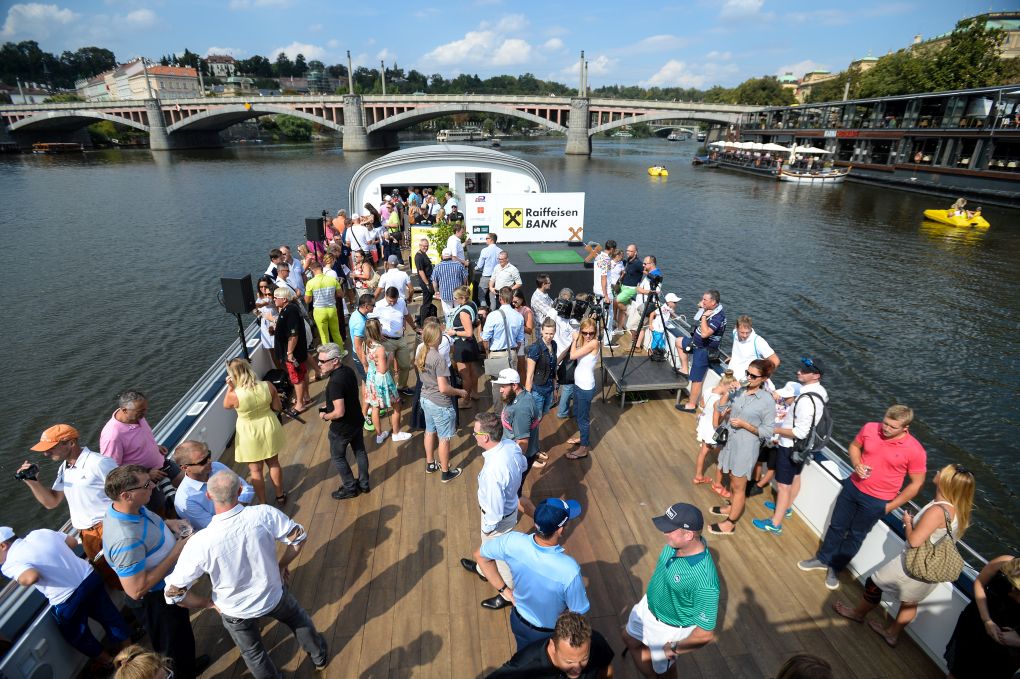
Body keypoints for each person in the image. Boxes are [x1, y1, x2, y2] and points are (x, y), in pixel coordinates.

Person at [165, 470, 329, 677]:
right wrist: (281, 565)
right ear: (240, 491)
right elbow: (298, 537)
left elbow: (174, 594)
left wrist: (208, 604)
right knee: (299, 621)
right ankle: (319, 657)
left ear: (208, 496)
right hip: (273, 594)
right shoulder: (263, 514)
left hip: (234, 611)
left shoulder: (199, 543)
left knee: (254, 654)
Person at [832, 463, 975, 646]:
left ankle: (857, 614)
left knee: (874, 584)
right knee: (910, 601)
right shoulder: (960, 510)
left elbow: (914, 541)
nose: (937, 471)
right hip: (932, 567)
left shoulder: (937, 511)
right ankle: (892, 633)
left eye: (941, 472)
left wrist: (908, 522)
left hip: (913, 564)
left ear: (945, 482)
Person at [798, 404, 927, 591]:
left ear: (905, 428)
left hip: (877, 501)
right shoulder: (869, 428)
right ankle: (822, 558)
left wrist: (890, 507)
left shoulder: (915, 450)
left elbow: (917, 484)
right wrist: (857, 463)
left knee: (855, 535)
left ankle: (835, 567)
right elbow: (854, 446)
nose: (886, 428)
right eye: (885, 423)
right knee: (836, 526)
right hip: (853, 487)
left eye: (892, 427)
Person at [102, 465, 203, 679]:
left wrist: (169, 524)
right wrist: (177, 551)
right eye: (147, 484)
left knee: (182, 636)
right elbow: (136, 590)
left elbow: (147, 527)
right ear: (126, 495)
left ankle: (189, 667)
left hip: (169, 590)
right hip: (156, 601)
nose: (153, 486)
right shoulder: (124, 538)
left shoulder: (132, 508)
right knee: (171, 649)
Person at [0, 525, 132, 673]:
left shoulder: (9, 563)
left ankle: (107, 661)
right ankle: (129, 653)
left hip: (66, 598)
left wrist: (20, 578)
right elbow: (72, 542)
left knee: (76, 634)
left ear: (3, 545)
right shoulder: (39, 533)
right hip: (89, 578)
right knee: (110, 617)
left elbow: (31, 577)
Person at [475, 498, 589, 650]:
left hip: (518, 621)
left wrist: (505, 591)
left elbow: (480, 556)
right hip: (549, 634)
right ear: (560, 530)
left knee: (523, 658)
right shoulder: (569, 570)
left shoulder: (512, 541)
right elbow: (578, 615)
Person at [623, 503, 718, 679]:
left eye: (670, 529)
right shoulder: (677, 543)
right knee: (629, 639)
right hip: (647, 607)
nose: (664, 533)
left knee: (665, 672)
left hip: (667, 630)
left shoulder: (705, 582)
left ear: (689, 535)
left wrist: (675, 647)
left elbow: (705, 634)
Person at [19, 424, 120, 587]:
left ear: (70, 443)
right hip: (88, 535)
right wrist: (32, 482)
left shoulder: (99, 463)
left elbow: (125, 492)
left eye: (51, 448)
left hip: (109, 527)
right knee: (110, 577)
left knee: (127, 570)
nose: (46, 453)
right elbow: (52, 502)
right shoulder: (64, 468)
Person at [755, 357, 829, 535]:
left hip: (790, 446)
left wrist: (775, 429)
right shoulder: (820, 392)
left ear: (816, 375)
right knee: (795, 476)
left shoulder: (805, 400)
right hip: (803, 447)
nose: (799, 372)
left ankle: (775, 523)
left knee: (783, 485)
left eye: (804, 371)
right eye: (800, 368)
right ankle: (786, 507)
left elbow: (800, 432)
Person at [459, 412, 528, 601]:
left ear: (485, 437)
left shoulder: (492, 473)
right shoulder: (511, 447)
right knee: (488, 550)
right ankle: (483, 570)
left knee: (500, 557)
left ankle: (507, 595)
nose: (474, 436)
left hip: (497, 522)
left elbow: (495, 513)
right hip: (511, 509)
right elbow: (522, 465)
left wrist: (487, 528)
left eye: (475, 433)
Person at [708, 358, 776, 535]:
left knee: (739, 486)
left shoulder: (767, 401)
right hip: (731, 442)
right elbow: (721, 406)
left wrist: (745, 425)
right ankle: (731, 507)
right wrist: (727, 392)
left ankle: (730, 524)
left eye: (754, 376)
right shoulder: (739, 391)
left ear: (763, 379)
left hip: (746, 448)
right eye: (747, 373)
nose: (749, 378)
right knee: (731, 478)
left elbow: (768, 432)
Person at [100, 390, 183, 516]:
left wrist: (154, 446)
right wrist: (147, 474)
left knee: (187, 483)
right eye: (140, 411)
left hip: (162, 464)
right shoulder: (112, 435)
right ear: (124, 410)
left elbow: (140, 437)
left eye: (145, 410)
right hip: (145, 481)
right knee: (163, 511)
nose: (144, 414)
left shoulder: (137, 417)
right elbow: (113, 473)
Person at [223, 358, 287, 506]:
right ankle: (280, 496)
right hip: (268, 426)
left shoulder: (235, 394)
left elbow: (226, 405)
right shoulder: (268, 385)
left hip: (248, 432)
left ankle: (263, 502)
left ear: (233, 375)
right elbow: (277, 407)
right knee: (274, 463)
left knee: (256, 471)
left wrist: (230, 387)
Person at [943, 555, 1020, 679]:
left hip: (1003, 648)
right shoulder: (1004, 561)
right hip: (975, 624)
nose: (1012, 588)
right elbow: (979, 582)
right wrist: (987, 620)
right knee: (957, 670)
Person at [318, 342, 373, 499]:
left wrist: (325, 416)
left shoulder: (334, 382)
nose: (319, 364)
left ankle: (350, 487)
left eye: (322, 361)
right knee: (360, 451)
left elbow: (339, 412)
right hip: (356, 420)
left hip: (342, 429)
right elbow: (347, 397)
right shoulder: (348, 371)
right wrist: (329, 404)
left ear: (335, 360)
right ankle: (364, 484)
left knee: (338, 457)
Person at [487, 611, 615, 679]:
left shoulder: (596, 642)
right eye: (569, 661)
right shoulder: (525, 665)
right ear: (553, 646)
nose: (577, 669)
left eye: (584, 659)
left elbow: (606, 668)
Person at [416, 323, 467, 482]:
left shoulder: (421, 353)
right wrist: (460, 392)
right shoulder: (438, 359)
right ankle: (446, 472)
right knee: (444, 438)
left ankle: (430, 463)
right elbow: (444, 388)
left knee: (430, 431)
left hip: (425, 398)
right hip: (439, 402)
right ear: (437, 338)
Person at [172, 440, 254, 530]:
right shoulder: (184, 500)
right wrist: (237, 506)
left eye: (209, 455)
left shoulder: (217, 466)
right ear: (185, 468)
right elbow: (213, 528)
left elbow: (246, 489)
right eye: (203, 461)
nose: (209, 461)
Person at [493, 368, 541, 507]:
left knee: (514, 495)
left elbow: (522, 443)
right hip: (514, 451)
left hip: (518, 458)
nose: (500, 390)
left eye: (503, 386)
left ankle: (541, 521)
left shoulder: (520, 409)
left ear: (514, 386)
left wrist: (513, 465)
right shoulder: (520, 396)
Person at [362, 317, 411, 445]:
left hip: (371, 379)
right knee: (396, 406)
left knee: (375, 407)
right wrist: (389, 357)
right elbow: (383, 370)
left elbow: (365, 362)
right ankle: (396, 433)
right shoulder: (380, 349)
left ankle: (379, 435)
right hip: (382, 380)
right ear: (378, 330)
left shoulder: (365, 344)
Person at [676, 290, 727, 414]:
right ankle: (684, 368)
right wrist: (703, 307)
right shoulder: (710, 309)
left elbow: (705, 334)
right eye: (703, 299)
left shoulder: (718, 317)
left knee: (696, 380)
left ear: (713, 302)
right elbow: (700, 306)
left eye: (705, 300)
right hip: (695, 343)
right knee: (679, 341)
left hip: (704, 350)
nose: (702, 301)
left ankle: (691, 405)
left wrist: (704, 315)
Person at [692, 372, 737, 486]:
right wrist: (725, 413)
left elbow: (702, 404)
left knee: (703, 450)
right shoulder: (719, 400)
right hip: (711, 428)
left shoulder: (709, 389)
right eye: (731, 388)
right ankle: (704, 478)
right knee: (717, 451)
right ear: (727, 385)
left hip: (703, 423)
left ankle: (698, 476)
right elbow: (716, 423)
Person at [525, 318, 558, 465]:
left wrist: (555, 388)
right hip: (537, 391)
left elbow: (553, 369)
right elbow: (529, 374)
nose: (549, 336)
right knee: (534, 423)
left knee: (539, 420)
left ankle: (535, 448)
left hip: (548, 389)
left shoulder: (554, 345)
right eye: (546, 333)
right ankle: (531, 455)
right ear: (541, 332)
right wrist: (527, 395)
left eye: (551, 333)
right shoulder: (535, 348)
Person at [565, 318, 600, 461]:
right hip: (579, 384)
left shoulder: (594, 343)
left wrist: (574, 340)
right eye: (584, 332)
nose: (588, 336)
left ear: (595, 333)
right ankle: (582, 437)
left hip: (585, 387)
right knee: (578, 414)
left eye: (591, 333)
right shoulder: (585, 341)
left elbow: (573, 355)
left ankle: (583, 448)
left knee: (583, 418)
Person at [483, 287, 526, 402]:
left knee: (498, 387)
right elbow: (519, 340)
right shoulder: (519, 316)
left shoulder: (492, 315)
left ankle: (498, 414)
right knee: (511, 384)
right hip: (512, 354)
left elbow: (485, 338)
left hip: (496, 355)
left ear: (500, 298)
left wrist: (488, 352)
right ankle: (510, 410)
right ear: (512, 299)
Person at [272, 286, 310, 413]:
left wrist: (289, 353)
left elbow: (293, 335)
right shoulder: (289, 309)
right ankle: (305, 397)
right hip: (298, 351)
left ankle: (300, 404)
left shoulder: (290, 311)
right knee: (303, 373)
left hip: (293, 353)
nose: (274, 299)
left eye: (276, 298)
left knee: (296, 377)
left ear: (283, 299)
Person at [375, 285, 418, 397]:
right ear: (385, 296)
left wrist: (414, 327)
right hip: (386, 341)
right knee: (388, 369)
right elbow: (370, 322)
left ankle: (402, 387)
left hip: (401, 339)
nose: (393, 303)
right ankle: (392, 391)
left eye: (394, 301)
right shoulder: (378, 305)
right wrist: (377, 334)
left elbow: (406, 315)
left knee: (405, 365)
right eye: (390, 301)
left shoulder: (401, 302)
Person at [448, 285, 481, 402]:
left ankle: (466, 400)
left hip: (463, 345)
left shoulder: (463, 312)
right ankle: (475, 393)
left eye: (456, 298)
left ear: (462, 298)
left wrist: (454, 332)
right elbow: (476, 321)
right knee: (473, 371)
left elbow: (468, 332)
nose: (454, 300)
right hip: (471, 344)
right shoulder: (472, 304)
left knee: (465, 374)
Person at [304, 258, 344, 350]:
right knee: (336, 333)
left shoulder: (310, 283)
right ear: (321, 269)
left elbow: (307, 301)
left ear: (312, 270)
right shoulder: (332, 280)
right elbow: (340, 294)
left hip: (319, 311)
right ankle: (341, 352)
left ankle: (329, 356)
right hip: (332, 309)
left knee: (324, 336)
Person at [727, 315, 780, 381]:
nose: (745, 335)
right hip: (731, 373)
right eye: (742, 332)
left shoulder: (758, 341)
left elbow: (775, 360)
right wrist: (733, 357)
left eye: (747, 332)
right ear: (737, 328)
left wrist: (764, 376)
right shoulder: (734, 332)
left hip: (745, 380)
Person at [431, 248, 469, 325]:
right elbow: (465, 277)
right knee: (458, 311)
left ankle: (450, 328)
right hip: (458, 294)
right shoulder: (458, 265)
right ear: (451, 256)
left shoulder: (437, 267)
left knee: (447, 314)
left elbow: (434, 281)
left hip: (445, 294)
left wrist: (436, 291)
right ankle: (459, 326)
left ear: (442, 256)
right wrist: (463, 287)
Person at [614, 244, 643, 328]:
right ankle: (619, 329)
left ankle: (625, 312)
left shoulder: (638, 263)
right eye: (627, 250)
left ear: (635, 252)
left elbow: (645, 271)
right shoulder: (628, 261)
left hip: (631, 288)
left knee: (616, 301)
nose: (627, 252)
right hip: (623, 287)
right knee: (620, 307)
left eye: (630, 251)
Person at [477, 232, 503, 308]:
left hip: (486, 276)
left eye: (486, 238)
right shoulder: (500, 251)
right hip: (496, 277)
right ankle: (492, 314)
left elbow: (479, 265)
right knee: (493, 298)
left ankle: (484, 312)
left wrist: (476, 267)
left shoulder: (485, 250)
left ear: (491, 240)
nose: (485, 240)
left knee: (481, 296)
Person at [414, 238, 436, 325]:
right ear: (420, 246)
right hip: (425, 282)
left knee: (428, 301)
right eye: (423, 246)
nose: (425, 248)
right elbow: (421, 271)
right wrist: (427, 284)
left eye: (427, 246)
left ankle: (423, 318)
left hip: (428, 280)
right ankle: (423, 322)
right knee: (426, 303)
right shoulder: (419, 256)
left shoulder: (423, 254)